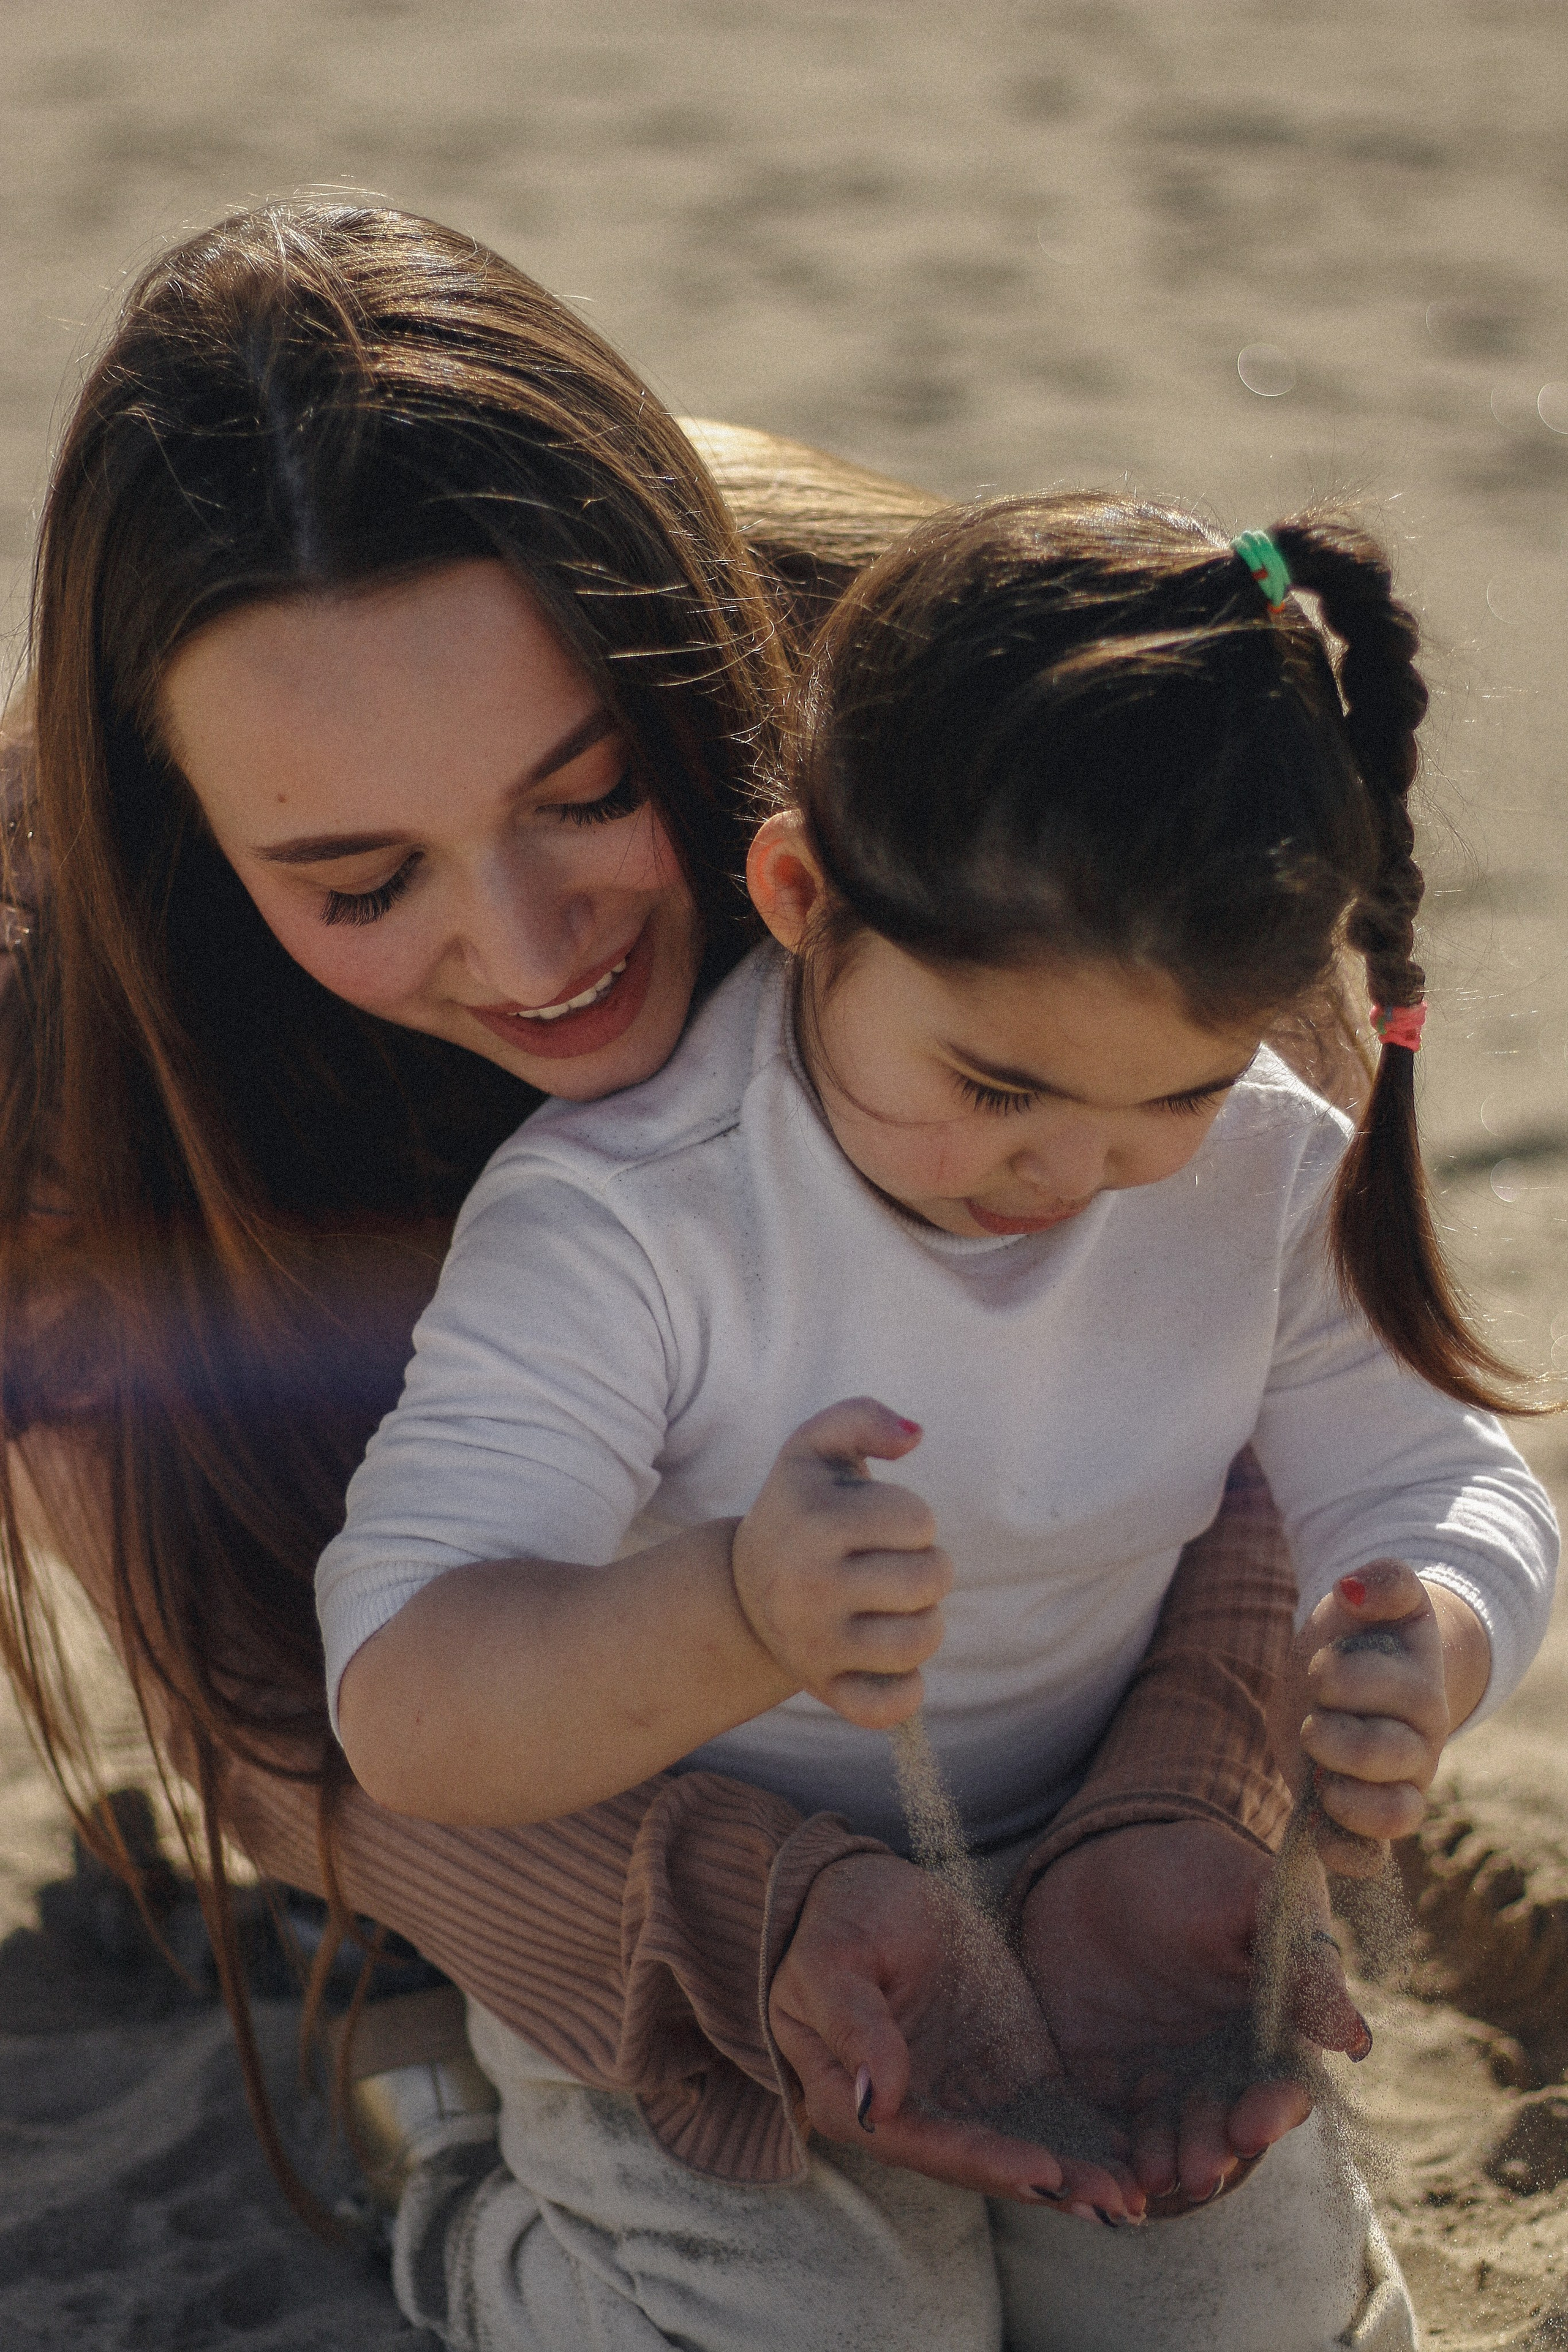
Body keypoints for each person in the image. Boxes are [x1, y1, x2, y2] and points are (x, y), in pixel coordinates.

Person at [0, 198, 1422, 2342]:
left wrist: (1181, 1790)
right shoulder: (54, 1042)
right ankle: (453, 2127)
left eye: (589, 793)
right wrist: (719, 1916)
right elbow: (273, 1701)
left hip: (1019, 1713)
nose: (534, 942)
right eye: (363, 880)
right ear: (187, 847)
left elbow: (1228, 1372)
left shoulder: (1008, 774)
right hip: (504, 1703)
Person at [314, 490, 1557, 2347]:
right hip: (707, 1941)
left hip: (1100, 1880)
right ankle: (457, 2192)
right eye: (992, 1083)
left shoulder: (1264, 1171)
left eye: (1174, 1097)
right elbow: (403, 1684)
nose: (1075, 1170)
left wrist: (1423, 1632)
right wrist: (733, 1611)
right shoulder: (634, 1216)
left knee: (1226, 2306)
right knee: (825, 2323)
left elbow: (1436, 1469)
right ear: (802, 895)